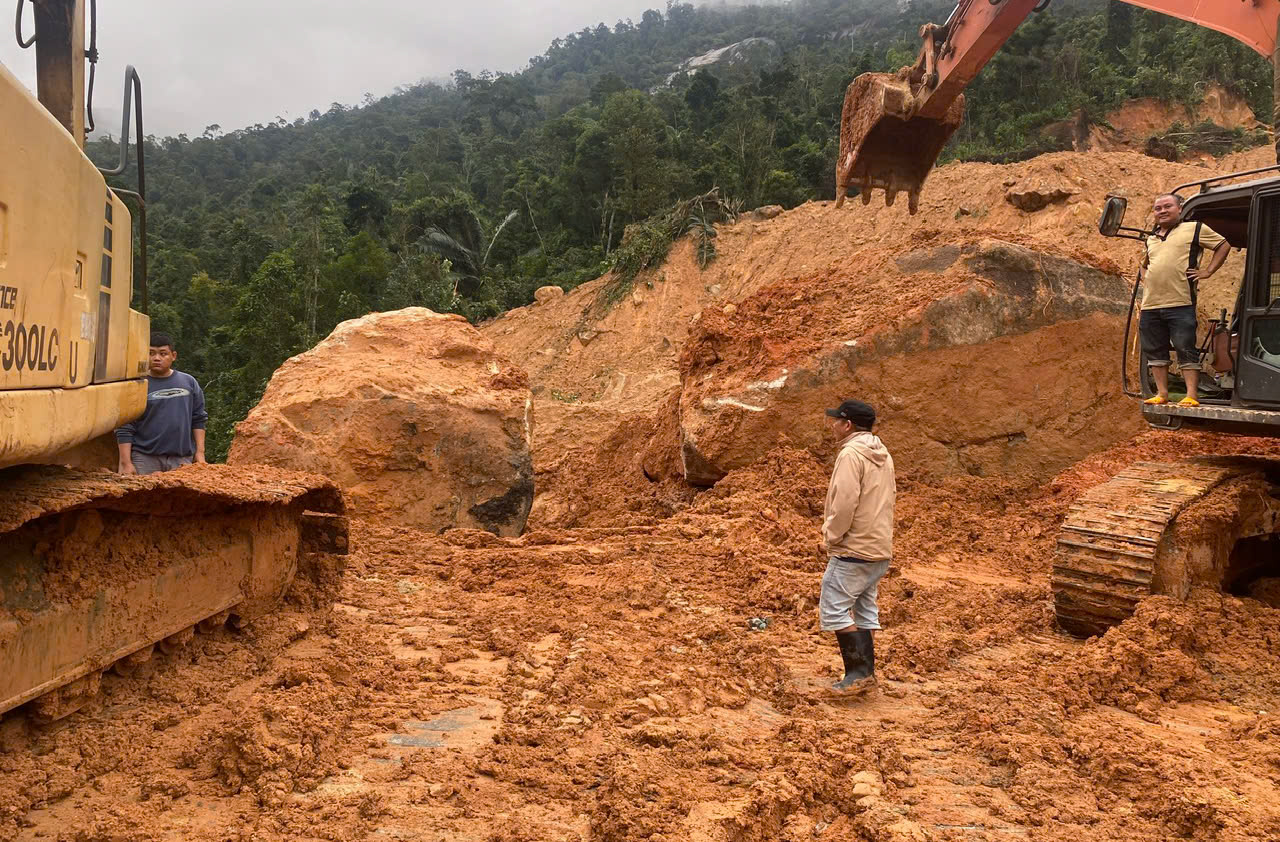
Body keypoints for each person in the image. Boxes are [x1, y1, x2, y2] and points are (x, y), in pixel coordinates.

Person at [819, 398, 895, 694]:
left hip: (855, 547)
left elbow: (845, 501)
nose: (833, 425)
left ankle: (858, 673)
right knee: (864, 607)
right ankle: (866, 674)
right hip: (878, 545)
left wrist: (832, 535)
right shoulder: (882, 452)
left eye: (836, 420)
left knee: (834, 608)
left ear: (847, 424)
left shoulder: (851, 454)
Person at [1139, 193, 1230, 408]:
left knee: (1184, 347)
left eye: (1167, 206)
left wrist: (1207, 271)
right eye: (1157, 208)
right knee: (1154, 350)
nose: (1162, 211)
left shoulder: (1195, 228)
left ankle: (1191, 395)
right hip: (1151, 305)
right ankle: (1162, 394)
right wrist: (1148, 278)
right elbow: (1143, 264)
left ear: (1180, 208)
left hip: (1180, 303)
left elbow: (1223, 245)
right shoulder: (1151, 239)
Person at [116, 332, 208, 475]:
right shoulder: (136, 386)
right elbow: (125, 426)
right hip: (145, 459)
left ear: (173, 356)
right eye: (151, 353)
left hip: (182, 459)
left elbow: (198, 419)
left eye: (163, 353)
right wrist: (126, 462)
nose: (157, 358)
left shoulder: (188, 382)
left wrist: (200, 453)